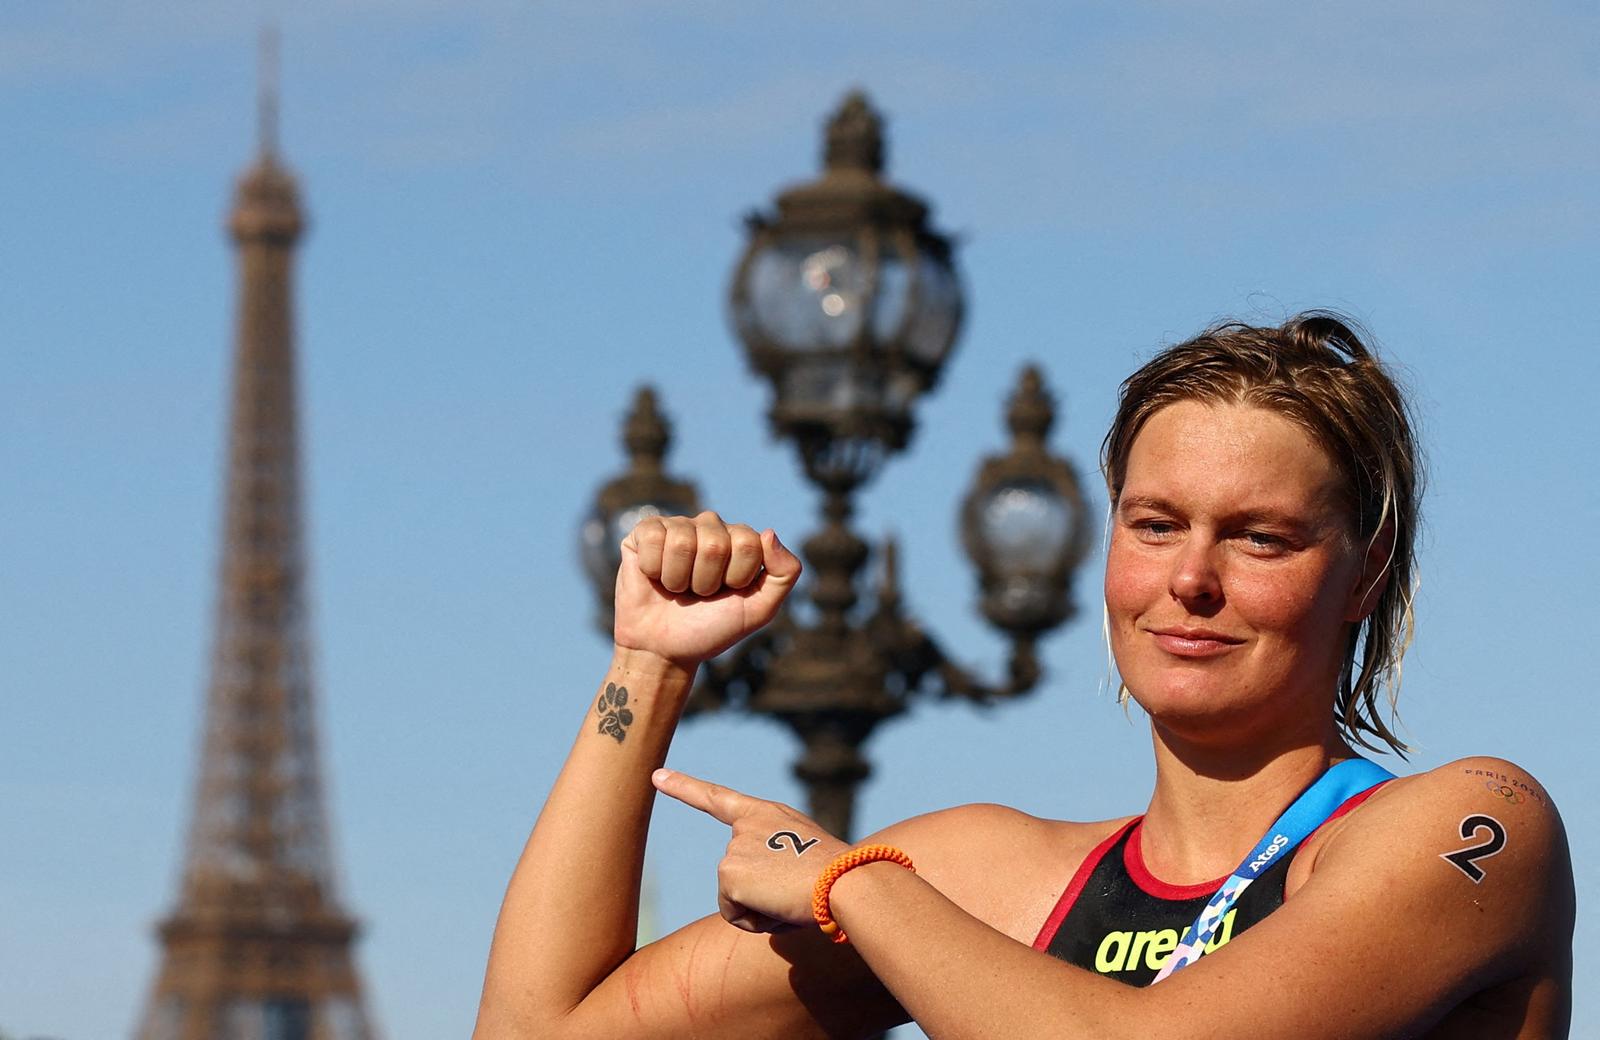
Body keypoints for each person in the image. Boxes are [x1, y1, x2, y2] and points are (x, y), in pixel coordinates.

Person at [474, 313, 1574, 1039]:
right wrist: (650, 665)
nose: (1188, 578)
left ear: (1362, 572)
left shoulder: (1476, 823)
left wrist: (848, 881)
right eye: (1155, 523)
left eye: (1260, 538)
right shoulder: (984, 874)